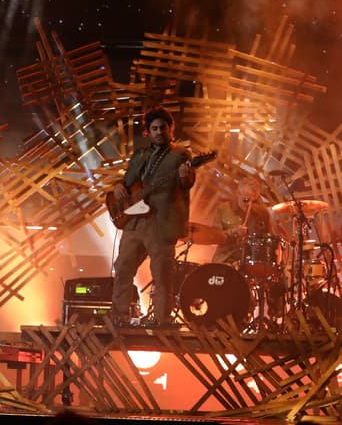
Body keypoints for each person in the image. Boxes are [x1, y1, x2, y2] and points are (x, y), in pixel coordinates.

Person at [111, 107, 195, 327]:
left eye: (163, 128)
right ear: (148, 130)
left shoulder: (181, 155)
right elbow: (128, 181)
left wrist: (185, 177)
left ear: (170, 128)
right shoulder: (140, 155)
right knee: (122, 268)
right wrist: (118, 186)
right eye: (154, 128)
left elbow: (187, 184)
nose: (159, 132)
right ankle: (119, 317)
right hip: (135, 221)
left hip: (161, 222)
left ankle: (162, 320)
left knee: (161, 273)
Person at [212, 176, 274, 266]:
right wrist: (235, 232)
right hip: (225, 260)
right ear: (238, 193)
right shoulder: (223, 209)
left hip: (250, 264)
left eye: (253, 200)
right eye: (246, 200)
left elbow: (270, 240)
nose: (249, 204)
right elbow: (214, 238)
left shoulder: (262, 213)